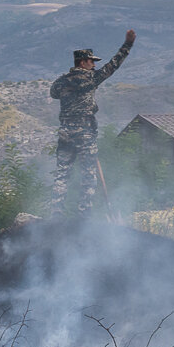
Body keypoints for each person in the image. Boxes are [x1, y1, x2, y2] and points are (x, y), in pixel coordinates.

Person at [50, 30, 135, 215]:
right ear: (82, 62)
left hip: (65, 131)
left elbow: (53, 93)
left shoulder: (61, 82)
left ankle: (56, 213)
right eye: (91, 62)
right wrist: (127, 45)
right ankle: (84, 214)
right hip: (85, 132)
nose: (94, 66)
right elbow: (113, 65)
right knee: (88, 174)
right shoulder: (91, 78)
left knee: (62, 174)